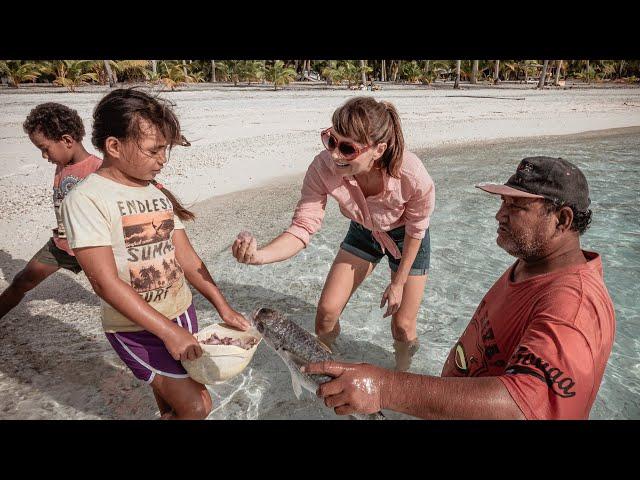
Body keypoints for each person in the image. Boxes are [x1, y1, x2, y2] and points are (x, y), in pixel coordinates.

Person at [304, 156, 616, 420]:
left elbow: (522, 406)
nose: (499, 215)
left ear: (562, 220)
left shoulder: (573, 307)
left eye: (517, 206)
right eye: (503, 202)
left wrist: (384, 387)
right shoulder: (532, 264)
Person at [61, 89, 250, 419]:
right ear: (114, 146)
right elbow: (105, 283)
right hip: (136, 328)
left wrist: (223, 306)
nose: (163, 159)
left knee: (171, 397)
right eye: (154, 150)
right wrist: (167, 331)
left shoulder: (157, 193)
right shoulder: (86, 199)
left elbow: (187, 260)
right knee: (197, 406)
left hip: (182, 312)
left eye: (166, 149)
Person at [232, 97, 435, 371]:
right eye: (331, 141)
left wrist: (398, 283)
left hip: (407, 238)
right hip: (364, 231)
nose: (335, 154)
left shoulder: (412, 175)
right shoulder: (322, 167)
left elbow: (416, 229)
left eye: (347, 148)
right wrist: (259, 256)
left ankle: (403, 375)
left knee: (402, 325)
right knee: (326, 315)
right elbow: (303, 227)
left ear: (378, 150)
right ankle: (330, 373)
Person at [0, 103, 102, 319]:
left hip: (95, 247)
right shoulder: (62, 163)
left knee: (113, 293)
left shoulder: (99, 170)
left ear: (67, 140)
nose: (44, 156)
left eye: (45, 148)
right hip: (62, 245)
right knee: (21, 281)